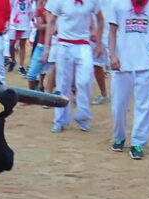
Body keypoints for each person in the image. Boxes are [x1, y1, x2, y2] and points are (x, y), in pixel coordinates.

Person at [108, 0, 149, 159]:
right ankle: (119, 136)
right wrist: (112, 55)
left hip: (147, 63)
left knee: (144, 106)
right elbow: (112, 31)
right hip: (122, 63)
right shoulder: (117, 2)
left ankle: (138, 142)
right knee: (118, 105)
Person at [44, 0, 105, 133]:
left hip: (83, 44)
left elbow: (100, 19)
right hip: (64, 44)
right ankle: (60, 120)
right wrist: (47, 47)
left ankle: (82, 116)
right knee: (63, 84)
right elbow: (52, 21)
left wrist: (99, 43)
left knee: (85, 80)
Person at [8, 0, 34, 74]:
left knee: (22, 45)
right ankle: (13, 60)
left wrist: (32, 17)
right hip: (13, 23)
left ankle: (21, 66)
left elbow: (32, 9)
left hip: (25, 23)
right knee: (11, 44)